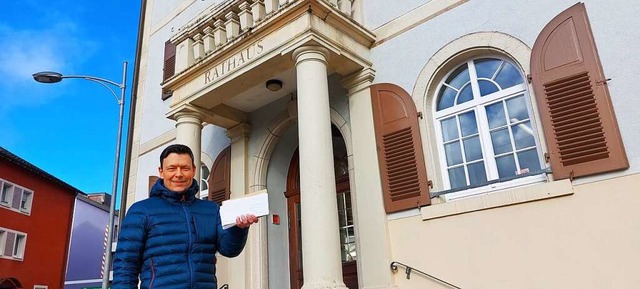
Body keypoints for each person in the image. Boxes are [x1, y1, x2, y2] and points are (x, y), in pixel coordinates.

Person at [112, 144, 258, 289]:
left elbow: (229, 250)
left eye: (185, 168)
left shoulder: (211, 209)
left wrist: (239, 229)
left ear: (193, 170)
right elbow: (125, 266)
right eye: (172, 168)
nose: (179, 174)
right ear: (161, 172)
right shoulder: (141, 210)